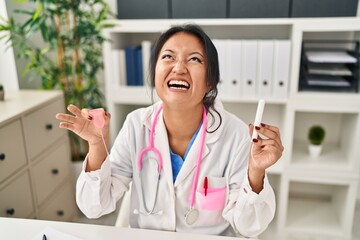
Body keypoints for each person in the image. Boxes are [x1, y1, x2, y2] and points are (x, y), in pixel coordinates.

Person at [56, 24, 283, 238]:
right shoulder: (136, 125)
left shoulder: (234, 134)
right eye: (168, 57)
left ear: (210, 83)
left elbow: (249, 226)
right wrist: (97, 146)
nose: (179, 67)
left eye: (194, 59)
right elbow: (94, 207)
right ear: (155, 74)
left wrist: (255, 173)